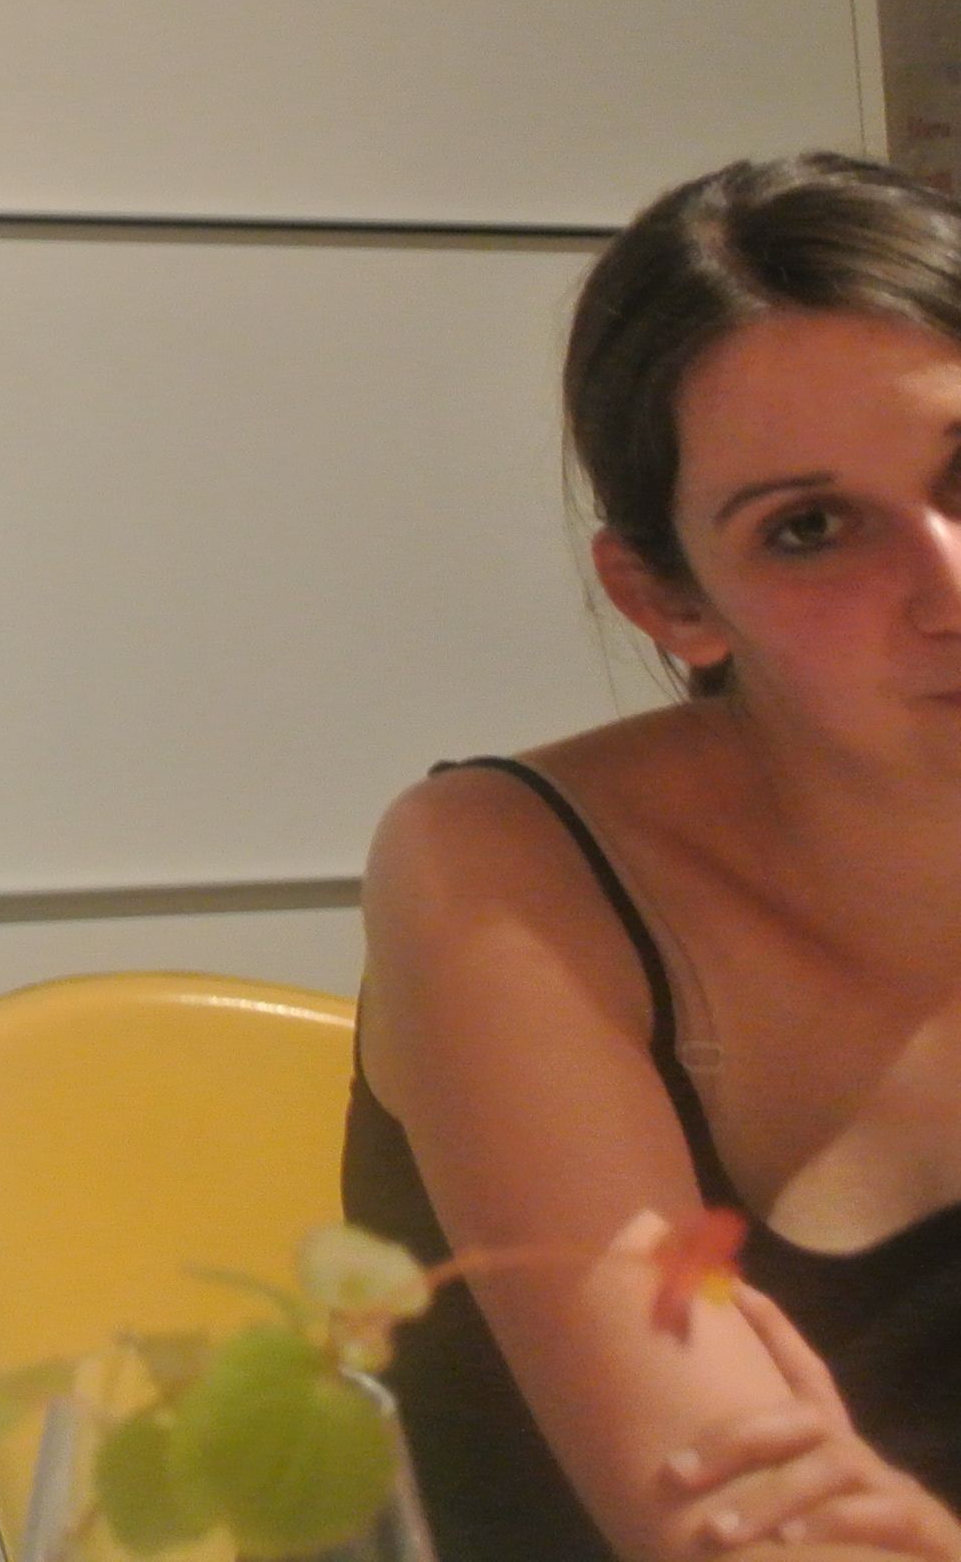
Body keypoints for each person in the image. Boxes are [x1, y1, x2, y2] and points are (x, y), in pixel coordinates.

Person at [349, 151, 961, 1562]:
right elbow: (752, 1536)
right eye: (811, 530)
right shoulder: (500, 870)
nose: (944, 584)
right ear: (667, 602)